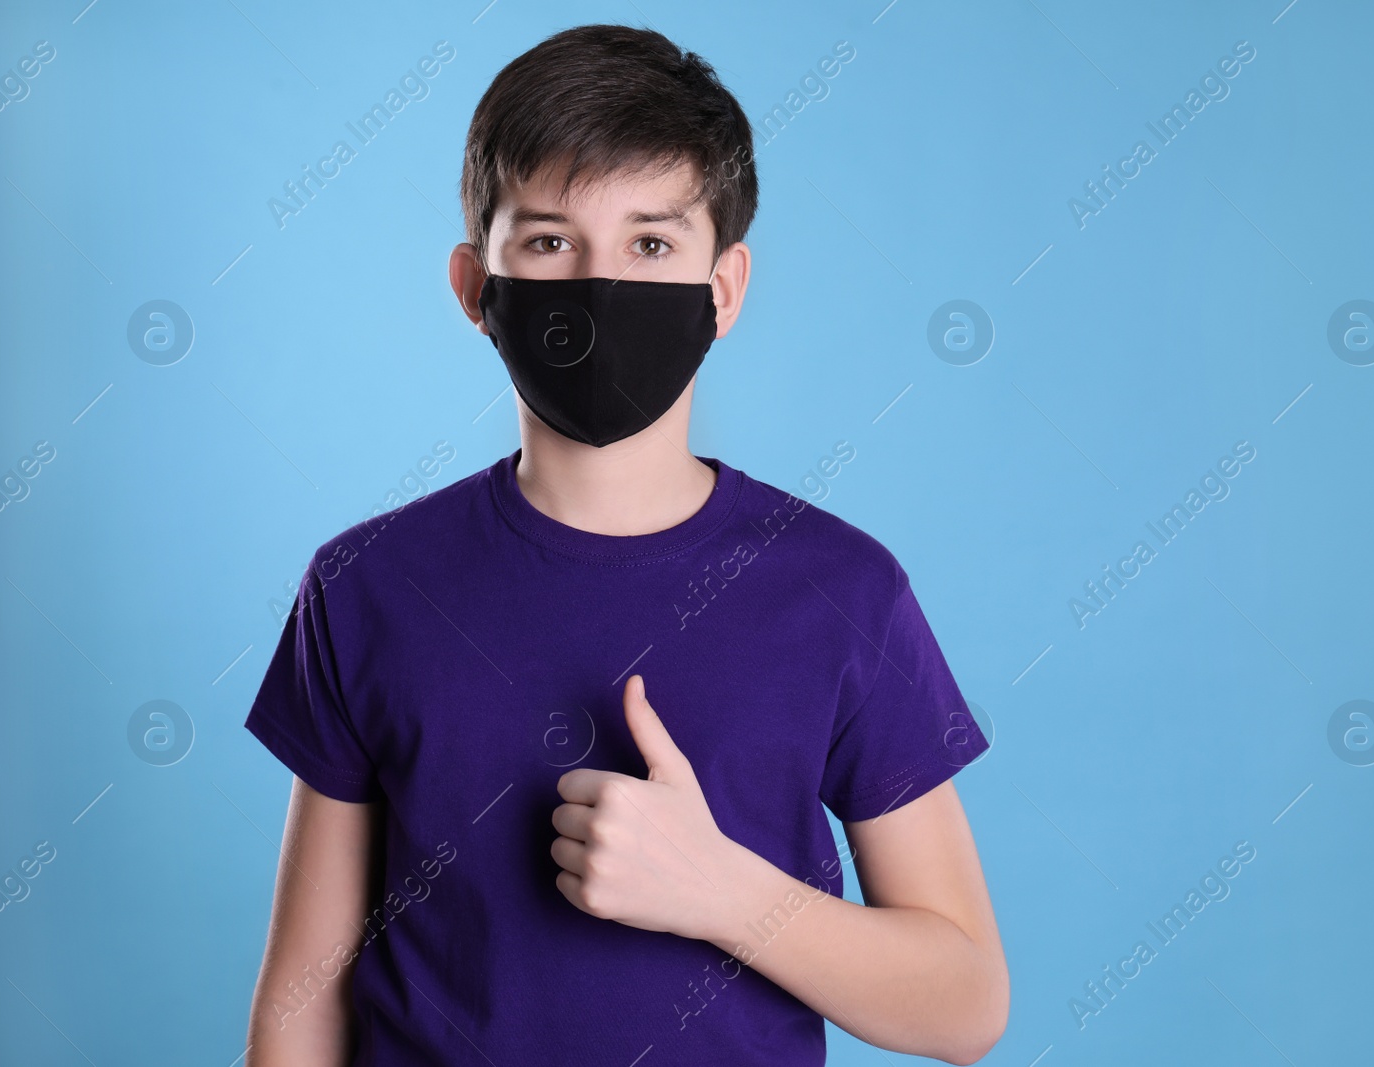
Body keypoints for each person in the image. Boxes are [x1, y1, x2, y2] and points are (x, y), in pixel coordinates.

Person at [242, 22, 1007, 1066]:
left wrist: (725, 891)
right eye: (549, 240)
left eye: (651, 243)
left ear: (723, 288)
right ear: (476, 287)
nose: (598, 287)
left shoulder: (840, 590)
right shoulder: (367, 585)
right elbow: (301, 1001)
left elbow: (964, 1003)